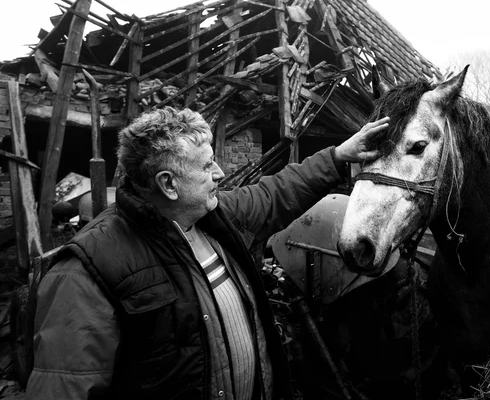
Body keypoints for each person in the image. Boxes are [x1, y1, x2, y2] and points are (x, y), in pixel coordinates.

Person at [25, 106, 388, 400]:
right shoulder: (85, 271)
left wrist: (339, 156)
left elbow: (276, 192)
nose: (219, 172)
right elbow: (65, 385)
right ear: (168, 184)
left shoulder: (215, 217)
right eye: (206, 165)